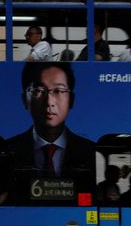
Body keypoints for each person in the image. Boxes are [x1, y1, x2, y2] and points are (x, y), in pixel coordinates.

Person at [6, 62, 95, 204]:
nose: (49, 102)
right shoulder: (8, 149)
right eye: (39, 91)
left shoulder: (90, 151)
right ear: (25, 100)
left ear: (71, 100)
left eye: (59, 91)